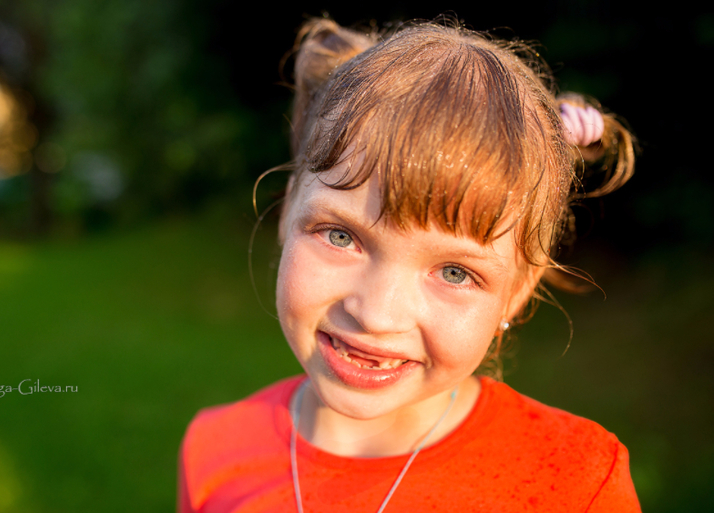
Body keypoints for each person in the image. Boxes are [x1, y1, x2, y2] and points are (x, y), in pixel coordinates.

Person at [178, 17, 640, 512]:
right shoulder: (213, 452)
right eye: (341, 236)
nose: (376, 315)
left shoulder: (576, 483)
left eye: (455, 272)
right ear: (289, 210)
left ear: (517, 292)